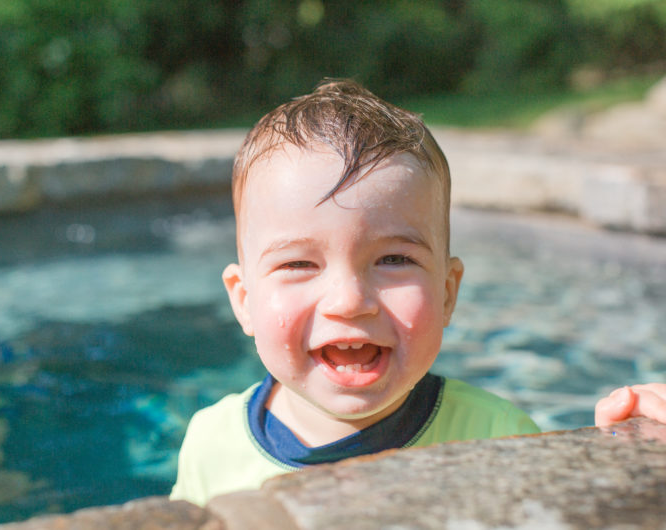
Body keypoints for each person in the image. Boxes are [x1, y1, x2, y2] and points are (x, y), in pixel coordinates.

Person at [170, 79, 666, 506]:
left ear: (448, 293)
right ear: (244, 300)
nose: (349, 300)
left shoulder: (497, 437)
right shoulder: (211, 444)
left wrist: (624, 467)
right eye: (299, 263)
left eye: (393, 260)